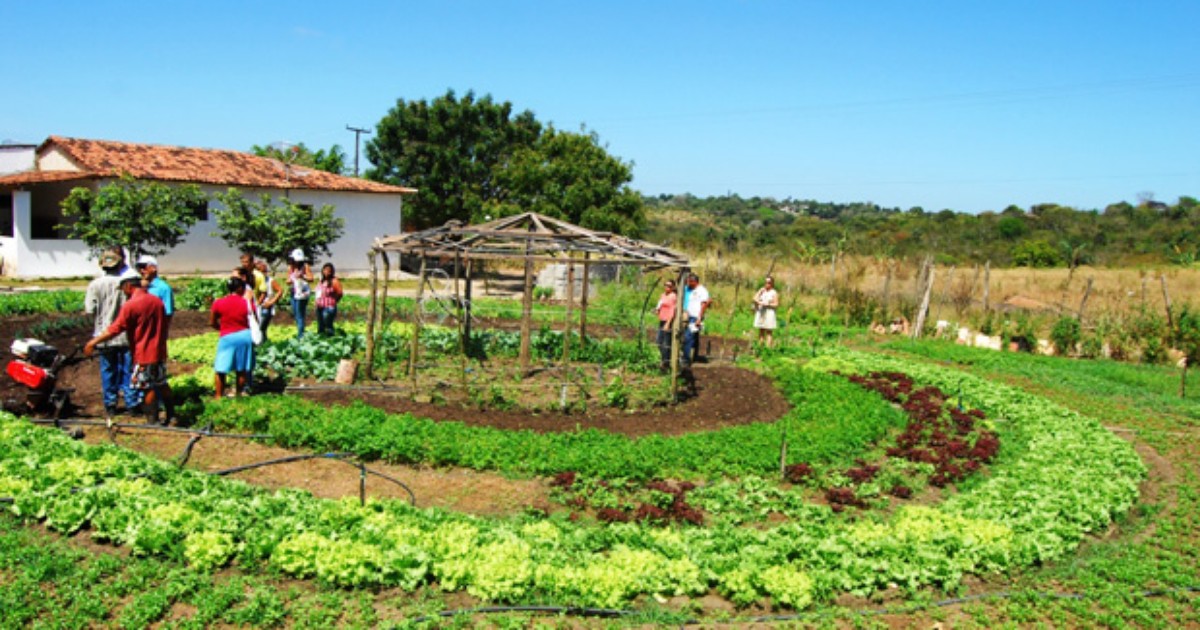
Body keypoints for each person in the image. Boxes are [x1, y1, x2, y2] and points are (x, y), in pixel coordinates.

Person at [83, 269, 175, 425]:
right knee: (162, 383)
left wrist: (93, 342)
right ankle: (172, 416)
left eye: (123, 289)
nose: (123, 293)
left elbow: (115, 329)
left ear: (127, 286)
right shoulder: (156, 301)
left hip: (144, 352)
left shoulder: (131, 305)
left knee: (147, 387)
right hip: (159, 350)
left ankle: (153, 420)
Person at [84, 246, 140, 417]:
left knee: (108, 371)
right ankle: (131, 403)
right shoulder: (127, 284)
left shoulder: (94, 285)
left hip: (103, 336)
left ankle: (110, 404)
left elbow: (90, 310)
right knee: (128, 370)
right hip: (125, 335)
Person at [210, 275, 256, 398]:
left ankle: (219, 396)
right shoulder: (246, 303)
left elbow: (212, 322)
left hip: (227, 336)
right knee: (241, 369)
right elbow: (254, 318)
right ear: (240, 288)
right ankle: (239, 395)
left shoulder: (219, 303)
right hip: (244, 336)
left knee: (221, 368)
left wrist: (222, 328)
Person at [681, 273, 712, 368]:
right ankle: (694, 356)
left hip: (695, 316)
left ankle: (686, 359)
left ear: (695, 281)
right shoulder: (688, 289)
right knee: (693, 337)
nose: (688, 283)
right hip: (687, 315)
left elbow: (704, 304)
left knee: (688, 337)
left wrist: (699, 317)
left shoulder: (702, 291)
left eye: (690, 281)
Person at [136, 255, 174, 319]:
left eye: (144, 267)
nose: (141, 271)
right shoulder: (137, 286)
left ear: (154, 268)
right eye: (139, 268)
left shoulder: (164, 288)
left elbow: (168, 313)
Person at [287, 249, 314, 338]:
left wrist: (303, 276)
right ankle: (300, 331)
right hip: (294, 292)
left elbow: (311, 279)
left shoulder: (305, 266)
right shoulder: (291, 267)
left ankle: (301, 335)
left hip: (302, 293)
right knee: (295, 313)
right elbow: (288, 280)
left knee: (300, 314)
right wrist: (290, 280)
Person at [653, 279, 678, 370]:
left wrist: (668, 323)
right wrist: (657, 310)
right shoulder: (663, 295)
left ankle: (666, 362)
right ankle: (664, 359)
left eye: (669, 286)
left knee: (666, 342)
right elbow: (660, 304)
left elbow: (672, 310)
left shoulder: (673, 296)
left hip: (668, 321)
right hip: (662, 320)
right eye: (666, 285)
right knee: (659, 341)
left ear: (673, 287)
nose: (667, 287)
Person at [255, 259, 283, 339]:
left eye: (265, 271)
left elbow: (280, 290)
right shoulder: (254, 280)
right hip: (256, 306)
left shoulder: (270, 281)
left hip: (266, 307)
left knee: (261, 328)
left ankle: (262, 345)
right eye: (261, 271)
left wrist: (272, 301)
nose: (263, 274)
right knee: (259, 329)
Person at [314, 262, 344, 336]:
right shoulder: (321, 281)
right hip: (319, 307)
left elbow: (340, 293)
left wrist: (334, 301)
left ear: (332, 272)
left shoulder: (334, 281)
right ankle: (321, 341)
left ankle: (331, 340)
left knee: (328, 326)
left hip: (329, 308)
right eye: (325, 270)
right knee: (320, 326)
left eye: (329, 270)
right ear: (323, 271)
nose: (327, 272)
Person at [752, 276, 779, 348]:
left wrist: (768, 304)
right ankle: (760, 347)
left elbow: (776, 304)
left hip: (769, 312)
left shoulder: (774, 292)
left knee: (769, 331)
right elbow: (754, 298)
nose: (767, 284)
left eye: (769, 283)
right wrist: (759, 292)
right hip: (761, 312)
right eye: (766, 282)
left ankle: (767, 348)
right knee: (761, 330)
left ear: (772, 284)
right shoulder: (762, 291)